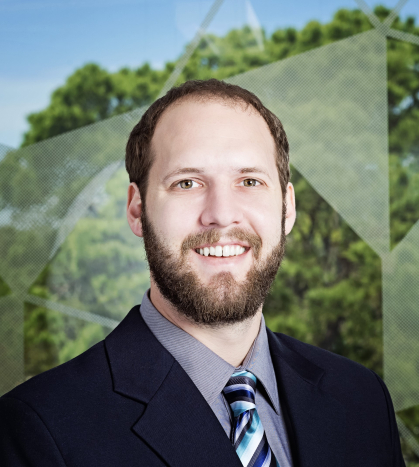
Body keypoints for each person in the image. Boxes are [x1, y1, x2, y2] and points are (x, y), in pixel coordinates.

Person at [0, 79, 405, 467]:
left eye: (249, 180)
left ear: (288, 207)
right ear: (137, 209)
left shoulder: (362, 399)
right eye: (187, 183)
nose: (221, 214)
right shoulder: (40, 430)